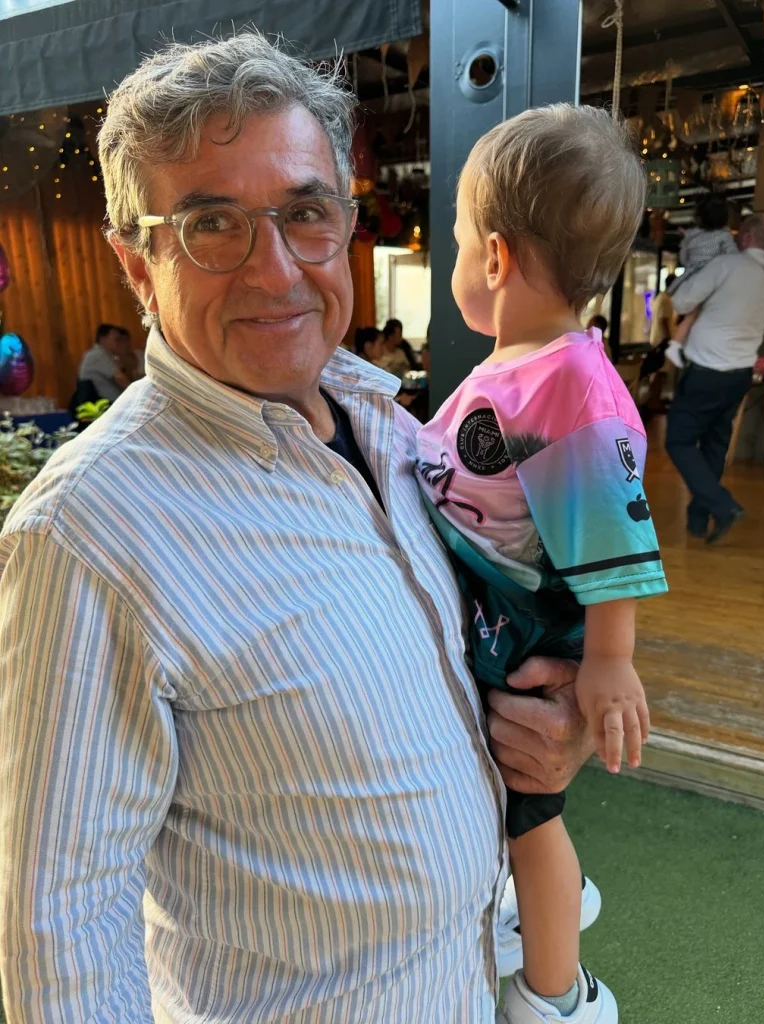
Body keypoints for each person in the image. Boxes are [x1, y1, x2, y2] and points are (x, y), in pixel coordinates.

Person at [0, 33, 598, 1024]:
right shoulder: (89, 532)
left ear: (344, 225)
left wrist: (551, 730)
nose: (275, 271)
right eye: (212, 225)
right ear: (137, 263)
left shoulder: (396, 432)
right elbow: (58, 929)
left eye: (304, 214)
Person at [417, 105, 668, 1024]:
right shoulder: (518, 365)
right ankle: (529, 909)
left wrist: (608, 658)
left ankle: (554, 995)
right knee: (510, 815)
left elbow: (611, 530)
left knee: (531, 818)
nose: (454, 263)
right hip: (490, 606)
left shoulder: (569, 384)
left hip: (515, 624)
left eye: (453, 245)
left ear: (493, 257)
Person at [666, 212, 764, 544]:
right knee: (714, 445)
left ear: (747, 236)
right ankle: (698, 520)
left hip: (707, 371)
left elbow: (681, 301)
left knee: (679, 440)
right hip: (740, 374)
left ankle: (723, 505)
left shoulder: (726, 266)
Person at [665, 194, 737, 369]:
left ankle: (677, 344)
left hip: (691, 280)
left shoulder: (691, 235)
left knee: (692, 315)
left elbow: (684, 259)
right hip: (711, 279)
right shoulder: (724, 235)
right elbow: (733, 257)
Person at [77, 322, 134, 402]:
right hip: (103, 405)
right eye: (116, 340)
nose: (119, 343)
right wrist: (136, 394)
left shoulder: (108, 355)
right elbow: (121, 379)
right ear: (103, 339)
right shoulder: (98, 354)